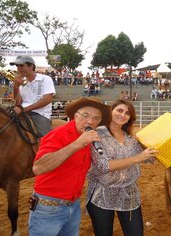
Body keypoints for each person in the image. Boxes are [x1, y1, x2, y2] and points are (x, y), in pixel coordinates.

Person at [28, 96, 112, 236]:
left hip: (73, 206)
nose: (90, 121)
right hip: (48, 208)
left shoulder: (88, 137)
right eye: (85, 115)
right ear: (75, 116)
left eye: (96, 118)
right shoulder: (58, 134)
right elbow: (38, 168)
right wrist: (77, 144)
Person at [86, 99, 158, 236]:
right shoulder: (96, 134)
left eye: (127, 113)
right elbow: (103, 165)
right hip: (101, 195)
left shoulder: (131, 138)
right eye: (119, 110)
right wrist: (138, 158)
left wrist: (162, 145)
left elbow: (149, 158)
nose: (123, 115)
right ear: (110, 112)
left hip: (129, 194)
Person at [11, 55, 56, 137]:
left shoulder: (45, 79)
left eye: (21, 65)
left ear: (31, 66)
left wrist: (24, 109)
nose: (18, 68)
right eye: (17, 66)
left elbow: (47, 99)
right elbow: (18, 103)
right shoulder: (20, 82)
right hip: (22, 112)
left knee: (44, 139)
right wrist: (15, 87)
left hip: (40, 114)